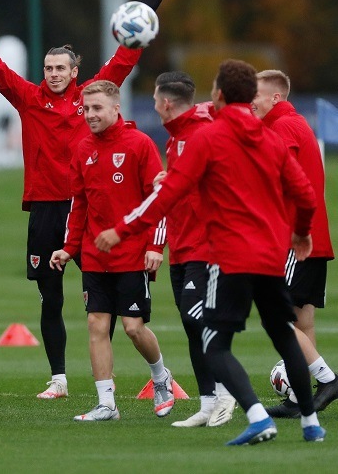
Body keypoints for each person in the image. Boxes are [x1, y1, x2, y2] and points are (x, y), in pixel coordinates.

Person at [0, 0, 170, 398]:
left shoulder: (91, 97)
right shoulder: (29, 98)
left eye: (60, 68)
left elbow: (124, 61)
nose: (52, 74)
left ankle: (155, 375)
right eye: (48, 68)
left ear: (75, 70)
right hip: (47, 209)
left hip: (88, 210)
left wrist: (145, 13)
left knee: (114, 301)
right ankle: (59, 379)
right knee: (50, 298)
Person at [95, 59, 326, 444]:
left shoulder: (209, 138)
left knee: (213, 343)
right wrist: (301, 233)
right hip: (271, 255)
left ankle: (256, 416)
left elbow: (168, 194)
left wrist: (121, 230)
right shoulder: (270, 137)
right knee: (284, 336)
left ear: (218, 95)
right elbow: (304, 192)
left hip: (230, 257)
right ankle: (310, 424)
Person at [49, 80, 174, 421]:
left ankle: (161, 376)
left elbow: (160, 199)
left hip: (132, 255)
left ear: (116, 108)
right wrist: (68, 248)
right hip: (94, 257)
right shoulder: (82, 149)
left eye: (97, 108)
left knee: (134, 327)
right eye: (86, 109)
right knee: (96, 325)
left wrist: (155, 247)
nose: (90, 114)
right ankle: (107, 403)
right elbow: (79, 205)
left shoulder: (139, 145)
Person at [152, 72, 237, 428]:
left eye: (157, 100)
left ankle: (227, 391)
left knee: (195, 317)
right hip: (182, 244)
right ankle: (206, 403)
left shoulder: (202, 130)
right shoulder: (175, 140)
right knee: (191, 326)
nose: (155, 106)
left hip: (206, 244)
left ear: (166, 103)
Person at [251, 69, 338, 417]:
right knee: (302, 321)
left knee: (277, 316)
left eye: (254, 95)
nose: (249, 102)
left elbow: (278, 174)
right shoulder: (295, 123)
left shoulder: (283, 126)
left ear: (275, 97)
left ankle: (327, 379)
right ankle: (300, 398)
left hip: (294, 240)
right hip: (312, 240)